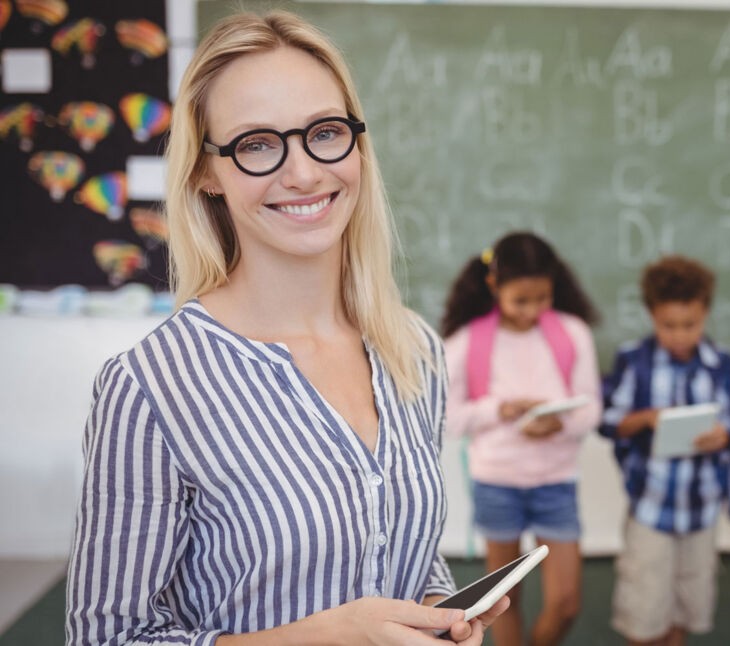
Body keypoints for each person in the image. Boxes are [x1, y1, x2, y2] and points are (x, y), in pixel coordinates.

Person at [65, 10, 507, 645]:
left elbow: (401, 549)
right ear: (206, 173)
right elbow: (106, 639)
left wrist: (436, 608)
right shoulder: (150, 388)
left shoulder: (414, 350)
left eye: (324, 132)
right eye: (256, 144)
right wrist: (323, 636)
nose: (303, 173)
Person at [441, 231, 602, 646]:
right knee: (503, 600)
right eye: (520, 300)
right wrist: (501, 410)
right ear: (493, 285)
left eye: (542, 298)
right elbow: (450, 419)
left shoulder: (573, 333)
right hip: (497, 483)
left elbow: (591, 409)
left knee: (566, 602)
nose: (532, 311)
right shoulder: (466, 341)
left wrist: (558, 424)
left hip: (556, 481)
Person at [599, 255, 730, 646]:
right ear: (652, 315)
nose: (679, 335)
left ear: (705, 313)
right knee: (644, 617)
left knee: (684, 610)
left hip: (702, 510)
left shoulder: (721, 363)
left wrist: (722, 436)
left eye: (690, 325)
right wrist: (646, 418)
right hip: (650, 507)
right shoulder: (634, 360)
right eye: (668, 326)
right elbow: (609, 422)